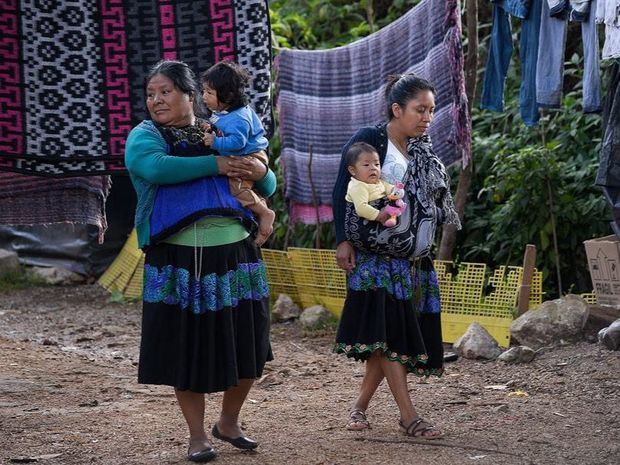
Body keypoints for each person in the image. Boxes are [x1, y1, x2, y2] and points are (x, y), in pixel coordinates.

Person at [125, 59, 276, 463]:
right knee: (184, 348)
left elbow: (269, 181)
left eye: (165, 92)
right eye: (150, 94)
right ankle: (196, 437)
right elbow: (153, 167)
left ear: (191, 95)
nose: (156, 100)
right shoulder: (146, 136)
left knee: (250, 343)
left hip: (237, 254)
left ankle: (229, 421)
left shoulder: (223, 128)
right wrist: (218, 164)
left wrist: (259, 165)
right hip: (179, 260)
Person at [332, 73, 461, 439]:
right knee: (389, 336)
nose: (427, 117)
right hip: (375, 259)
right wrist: (342, 239)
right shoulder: (371, 140)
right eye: (420, 109)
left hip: (412, 260)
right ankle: (409, 416)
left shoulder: (422, 148)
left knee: (385, 335)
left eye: (432, 110)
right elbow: (343, 187)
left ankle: (359, 407)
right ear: (396, 109)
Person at [201, 61, 276, 247]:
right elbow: (222, 127)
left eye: (209, 93)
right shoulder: (224, 111)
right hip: (246, 154)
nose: (204, 97)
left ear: (228, 95)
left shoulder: (239, 118)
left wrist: (215, 142)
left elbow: (237, 143)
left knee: (239, 188)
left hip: (250, 156)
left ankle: (265, 213)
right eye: (204, 91)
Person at [344, 142, 393, 225]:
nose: (373, 168)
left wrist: (397, 191)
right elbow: (361, 208)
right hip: (364, 223)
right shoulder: (358, 186)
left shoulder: (379, 182)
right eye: (366, 165)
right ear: (353, 170)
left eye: (376, 164)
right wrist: (379, 216)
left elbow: (391, 188)